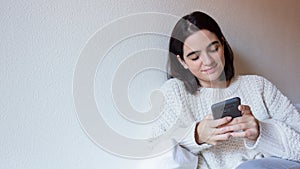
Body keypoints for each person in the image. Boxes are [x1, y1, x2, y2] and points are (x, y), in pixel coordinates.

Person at [153, 11, 300, 169]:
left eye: (214, 49)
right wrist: (196, 135)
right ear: (182, 61)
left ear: (222, 44)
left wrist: (260, 132)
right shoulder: (174, 93)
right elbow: (156, 149)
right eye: (195, 57)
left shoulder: (258, 86)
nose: (208, 61)